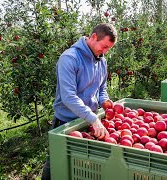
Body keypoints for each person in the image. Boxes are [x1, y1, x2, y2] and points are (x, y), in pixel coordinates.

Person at [41, 23, 117, 180]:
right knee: (58, 163)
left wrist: (105, 102)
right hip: (67, 123)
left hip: (88, 121)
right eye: (104, 46)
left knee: (83, 166)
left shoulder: (102, 61)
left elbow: (101, 89)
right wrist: (93, 118)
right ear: (94, 37)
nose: (105, 52)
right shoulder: (69, 58)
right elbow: (68, 97)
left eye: (108, 49)